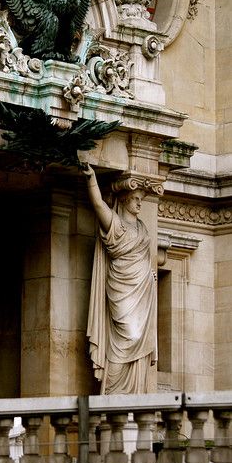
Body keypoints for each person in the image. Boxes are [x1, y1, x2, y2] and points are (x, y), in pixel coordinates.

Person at [82, 164, 157, 394]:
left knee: (139, 339)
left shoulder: (143, 228)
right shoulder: (115, 224)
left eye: (140, 199)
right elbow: (97, 204)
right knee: (128, 335)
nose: (139, 203)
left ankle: (135, 396)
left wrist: (151, 273)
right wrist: (92, 179)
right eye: (135, 198)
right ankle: (113, 393)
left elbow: (147, 256)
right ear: (124, 199)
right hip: (122, 288)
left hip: (143, 291)